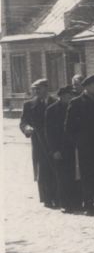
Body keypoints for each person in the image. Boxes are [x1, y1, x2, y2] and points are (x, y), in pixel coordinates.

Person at [65, 75, 94, 213]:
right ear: (86, 87)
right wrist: (79, 142)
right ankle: (89, 205)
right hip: (86, 147)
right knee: (88, 175)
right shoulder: (77, 102)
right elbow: (69, 127)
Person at [20, 79, 57, 207]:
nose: (36, 91)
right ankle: (47, 199)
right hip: (39, 142)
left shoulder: (55, 102)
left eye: (39, 88)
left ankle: (57, 197)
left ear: (46, 88)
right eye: (34, 89)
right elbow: (23, 122)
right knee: (42, 170)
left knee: (56, 168)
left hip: (54, 141)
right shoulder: (29, 105)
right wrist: (27, 128)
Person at [45, 86, 79, 212]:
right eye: (68, 96)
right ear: (61, 96)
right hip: (60, 148)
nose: (70, 98)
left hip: (73, 147)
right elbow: (49, 132)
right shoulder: (52, 110)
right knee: (62, 177)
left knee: (74, 176)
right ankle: (64, 203)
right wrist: (54, 150)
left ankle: (76, 202)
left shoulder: (74, 107)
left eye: (72, 96)